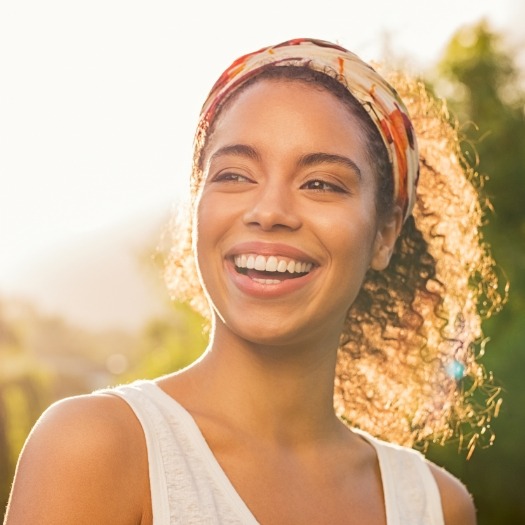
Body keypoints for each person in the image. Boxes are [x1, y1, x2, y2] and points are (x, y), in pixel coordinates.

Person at [4, 38, 503, 525]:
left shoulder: (435, 505)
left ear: (385, 232)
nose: (269, 212)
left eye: (321, 184)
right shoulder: (95, 448)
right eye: (235, 175)